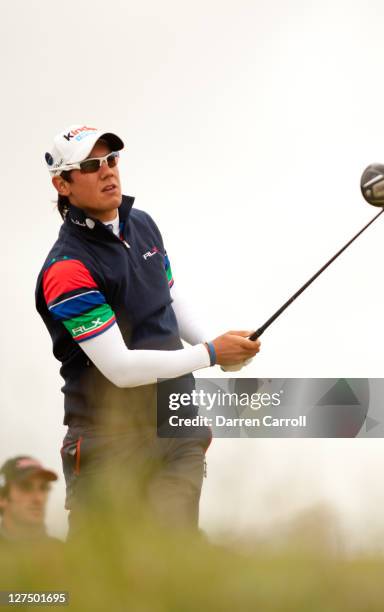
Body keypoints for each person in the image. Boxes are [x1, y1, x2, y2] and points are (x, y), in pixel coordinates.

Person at [35, 124, 261, 536]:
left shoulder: (142, 224)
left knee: (174, 562)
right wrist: (211, 353)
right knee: (102, 583)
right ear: (62, 183)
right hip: (108, 441)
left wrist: (221, 345)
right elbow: (120, 369)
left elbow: (168, 298)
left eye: (111, 160)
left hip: (176, 425)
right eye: (90, 166)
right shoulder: (67, 268)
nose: (107, 172)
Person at [0, 456, 61, 547]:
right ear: (2, 498)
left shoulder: (67, 555)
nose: (38, 499)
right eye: (26, 487)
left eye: (43, 488)